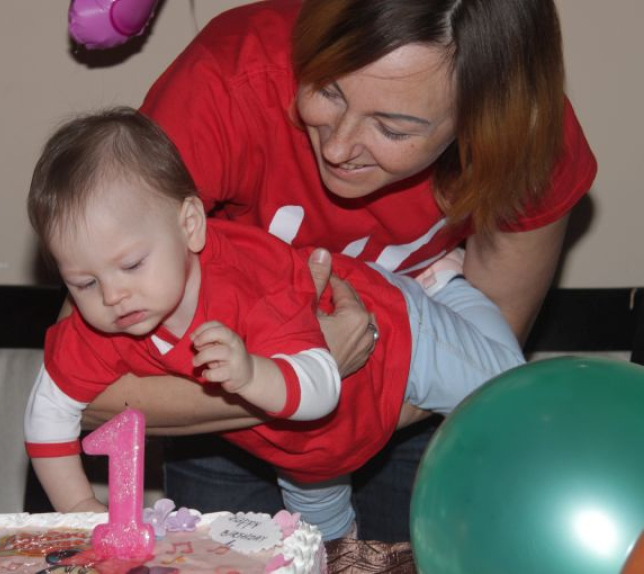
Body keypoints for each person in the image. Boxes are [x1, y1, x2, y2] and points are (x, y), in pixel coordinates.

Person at [79, 0, 598, 540]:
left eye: (393, 128)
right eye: (328, 90)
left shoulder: (527, 133)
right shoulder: (225, 81)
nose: (339, 146)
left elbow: (490, 342)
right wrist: (303, 380)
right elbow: (87, 393)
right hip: (223, 416)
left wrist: (345, 392)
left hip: (410, 403)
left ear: (479, 123)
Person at [23, 108, 525, 539]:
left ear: (190, 226)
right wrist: (77, 507)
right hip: (306, 452)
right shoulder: (100, 325)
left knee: (506, 393)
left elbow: (321, 386)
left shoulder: (253, 286)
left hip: (395, 338)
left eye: (131, 265)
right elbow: (48, 412)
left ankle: (446, 288)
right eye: (84, 283)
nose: (112, 296)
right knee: (322, 549)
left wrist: (250, 374)